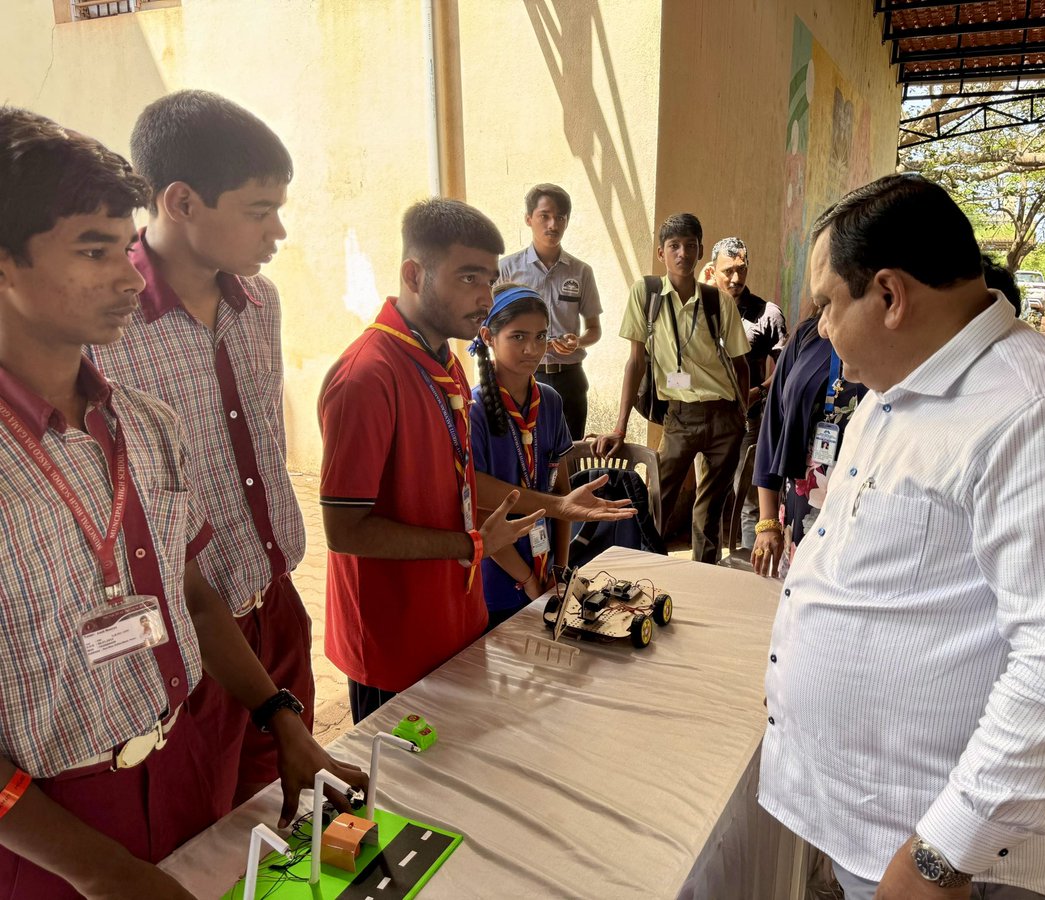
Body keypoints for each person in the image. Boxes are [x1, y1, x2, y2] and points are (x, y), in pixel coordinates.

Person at [758, 175, 1045, 900]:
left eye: (825, 304)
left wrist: (940, 857)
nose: (817, 328)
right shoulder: (888, 396)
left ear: (889, 295)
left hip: (944, 862)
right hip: (864, 821)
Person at [0, 107, 364, 900]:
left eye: (123, 245)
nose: (129, 275)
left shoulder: (144, 423)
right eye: (94, 251)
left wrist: (279, 716)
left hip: (186, 749)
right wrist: (107, 874)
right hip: (52, 822)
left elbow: (191, 594)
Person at [320, 199, 630, 724]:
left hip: (454, 620)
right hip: (395, 640)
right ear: (414, 275)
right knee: (402, 791)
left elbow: (465, 484)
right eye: (469, 277)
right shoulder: (367, 376)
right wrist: (472, 545)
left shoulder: (444, 365)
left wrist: (555, 506)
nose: (485, 297)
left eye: (490, 278)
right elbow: (345, 531)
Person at [89, 89, 311, 811]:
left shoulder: (260, 302)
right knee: (210, 835)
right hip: (189, 636)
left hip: (275, 603)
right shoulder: (102, 330)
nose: (278, 229)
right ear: (181, 201)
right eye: (258, 209)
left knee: (292, 809)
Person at [595, 214, 750, 564]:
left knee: (709, 512)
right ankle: (649, 566)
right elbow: (635, 361)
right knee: (656, 500)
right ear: (662, 253)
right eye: (674, 246)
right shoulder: (647, 294)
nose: (682, 253)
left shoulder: (717, 302)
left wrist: (739, 414)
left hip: (724, 415)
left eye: (690, 246)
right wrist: (620, 426)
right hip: (680, 416)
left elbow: (740, 364)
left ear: (699, 254)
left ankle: (701, 575)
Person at [468, 285, 573, 631]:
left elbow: (562, 495)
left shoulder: (551, 401)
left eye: (541, 336)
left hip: (546, 571)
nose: (532, 349)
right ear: (488, 337)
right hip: (497, 577)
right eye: (518, 337)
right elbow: (480, 514)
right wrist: (528, 579)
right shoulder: (473, 410)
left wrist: (560, 568)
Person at [750, 316, 866, 580]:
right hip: (801, 501)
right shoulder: (809, 334)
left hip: (860, 503)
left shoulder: (891, 340)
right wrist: (767, 522)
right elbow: (773, 426)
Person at [499, 184, 601, 440]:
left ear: (566, 222)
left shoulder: (581, 272)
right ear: (528, 219)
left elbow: (594, 329)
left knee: (570, 451)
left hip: (569, 378)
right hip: (523, 375)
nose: (552, 224)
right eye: (544, 216)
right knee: (522, 449)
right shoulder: (507, 269)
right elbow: (492, 327)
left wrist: (578, 341)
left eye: (560, 218)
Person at [709, 237, 787, 549]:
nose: (736, 278)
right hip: (708, 421)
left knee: (748, 498)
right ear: (713, 271)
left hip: (749, 422)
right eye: (728, 271)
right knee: (711, 496)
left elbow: (784, 370)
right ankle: (710, 565)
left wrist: (757, 392)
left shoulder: (767, 313)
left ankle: (743, 564)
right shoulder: (701, 312)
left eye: (742, 270)